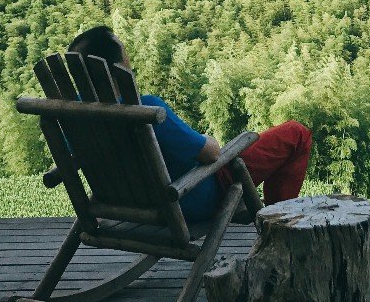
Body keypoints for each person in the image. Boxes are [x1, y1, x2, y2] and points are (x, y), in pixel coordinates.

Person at [66, 25, 311, 223]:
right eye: (126, 55)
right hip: (190, 197)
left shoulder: (72, 116)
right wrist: (210, 141)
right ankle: (278, 223)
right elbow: (211, 154)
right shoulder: (146, 111)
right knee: (296, 134)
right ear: (117, 68)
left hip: (128, 203)